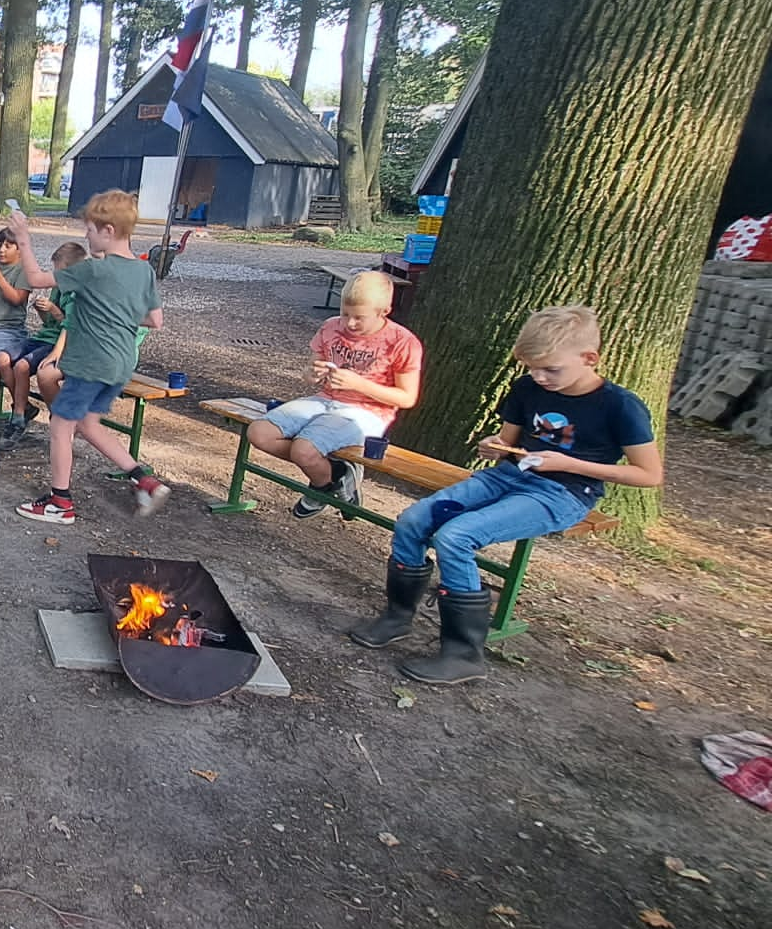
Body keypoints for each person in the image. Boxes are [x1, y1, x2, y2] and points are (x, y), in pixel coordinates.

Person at [352, 305, 663, 684]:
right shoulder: (527, 388)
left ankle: (463, 653)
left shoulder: (619, 405)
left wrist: (568, 464)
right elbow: (509, 442)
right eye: (532, 367)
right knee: (414, 520)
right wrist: (496, 446)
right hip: (509, 476)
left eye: (551, 369)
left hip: (563, 493)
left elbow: (648, 474)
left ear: (589, 358)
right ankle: (397, 616)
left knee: (456, 537)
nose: (540, 377)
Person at [9, 194, 170, 523]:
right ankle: (144, 479)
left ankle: (60, 502)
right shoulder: (143, 270)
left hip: (91, 363)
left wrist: (24, 239)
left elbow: (38, 279)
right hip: (121, 364)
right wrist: (116, 315)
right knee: (88, 423)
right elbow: (154, 320)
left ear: (108, 230)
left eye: (90, 230)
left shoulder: (92, 270)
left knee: (60, 425)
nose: (86, 236)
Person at [247, 271, 423, 518]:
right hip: (324, 400)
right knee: (259, 433)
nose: (350, 323)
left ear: (384, 311)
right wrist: (313, 373)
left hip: (366, 412)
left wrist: (359, 384)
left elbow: (406, 398)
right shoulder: (330, 326)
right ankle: (337, 475)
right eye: (345, 314)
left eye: (359, 318)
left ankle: (322, 486)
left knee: (303, 450)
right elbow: (310, 372)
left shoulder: (402, 342)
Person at [5, 242, 82, 442]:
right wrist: (42, 309)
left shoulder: (77, 294)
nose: (56, 277)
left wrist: (54, 311)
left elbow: (70, 325)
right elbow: (49, 323)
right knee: (2, 358)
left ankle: (20, 417)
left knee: (22, 366)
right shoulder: (58, 288)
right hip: (42, 337)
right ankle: (23, 408)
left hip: (59, 344)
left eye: (60, 272)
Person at [0, 228, 34, 434]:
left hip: (9, 330)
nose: (1, 250)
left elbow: (17, 299)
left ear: (19, 250)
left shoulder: (23, 271)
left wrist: (0, 279)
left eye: (8, 246)